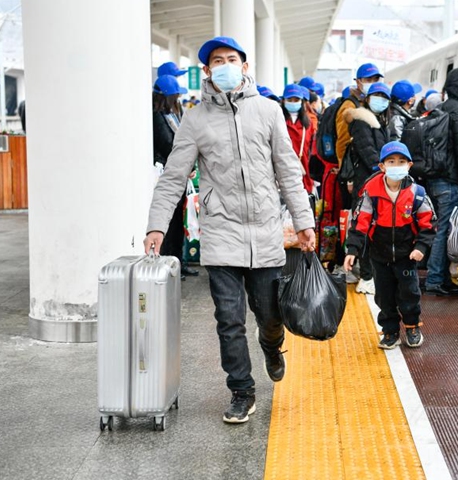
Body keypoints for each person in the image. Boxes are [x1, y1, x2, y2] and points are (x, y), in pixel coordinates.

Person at [144, 36, 315, 425]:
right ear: (206, 71)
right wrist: (157, 225)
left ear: (244, 65)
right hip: (221, 233)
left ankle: (272, 346)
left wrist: (304, 223)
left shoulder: (269, 111)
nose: (224, 66)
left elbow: (288, 171)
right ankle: (242, 390)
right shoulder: (195, 118)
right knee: (229, 318)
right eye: (216, 61)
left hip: (267, 230)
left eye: (231, 59)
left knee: (270, 315)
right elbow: (173, 176)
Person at [344, 141, 436, 349]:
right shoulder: (371, 192)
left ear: (409, 165)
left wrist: (421, 248)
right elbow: (360, 222)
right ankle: (390, 331)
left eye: (401, 161)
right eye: (391, 161)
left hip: (407, 255)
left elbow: (429, 223)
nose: (397, 165)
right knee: (384, 296)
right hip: (379, 255)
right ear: (382, 166)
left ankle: (412, 326)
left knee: (409, 293)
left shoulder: (417, 193)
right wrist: (352, 250)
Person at [423, 67, 458, 296]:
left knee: (440, 228)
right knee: (444, 230)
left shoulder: (441, 109)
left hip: (435, 180)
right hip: (450, 182)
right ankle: (435, 279)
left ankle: (441, 277)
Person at [342, 81, 391, 295]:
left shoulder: (379, 121)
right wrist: (383, 170)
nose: (380, 99)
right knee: (364, 227)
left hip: (377, 179)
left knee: (374, 228)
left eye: (384, 96)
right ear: (367, 98)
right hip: (367, 182)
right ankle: (366, 277)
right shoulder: (362, 120)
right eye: (376, 95)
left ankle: (370, 273)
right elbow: (367, 150)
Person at [151, 75, 197, 280]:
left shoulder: (171, 115)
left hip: (179, 173)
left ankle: (178, 262)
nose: (178, 99)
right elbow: (168, 144)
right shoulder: (157, 117)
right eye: (175, 96)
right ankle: (169, 263)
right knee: (169, 226)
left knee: (178, 223)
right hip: (167, 174)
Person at [281, 84, 316, 194]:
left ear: (302, 102)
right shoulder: (277, 120)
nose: (293, 102)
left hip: (304, 172)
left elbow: (312, 149)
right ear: (283, 101)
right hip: (282, 172)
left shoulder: (308, 124)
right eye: (289, 99)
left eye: (296, 99)